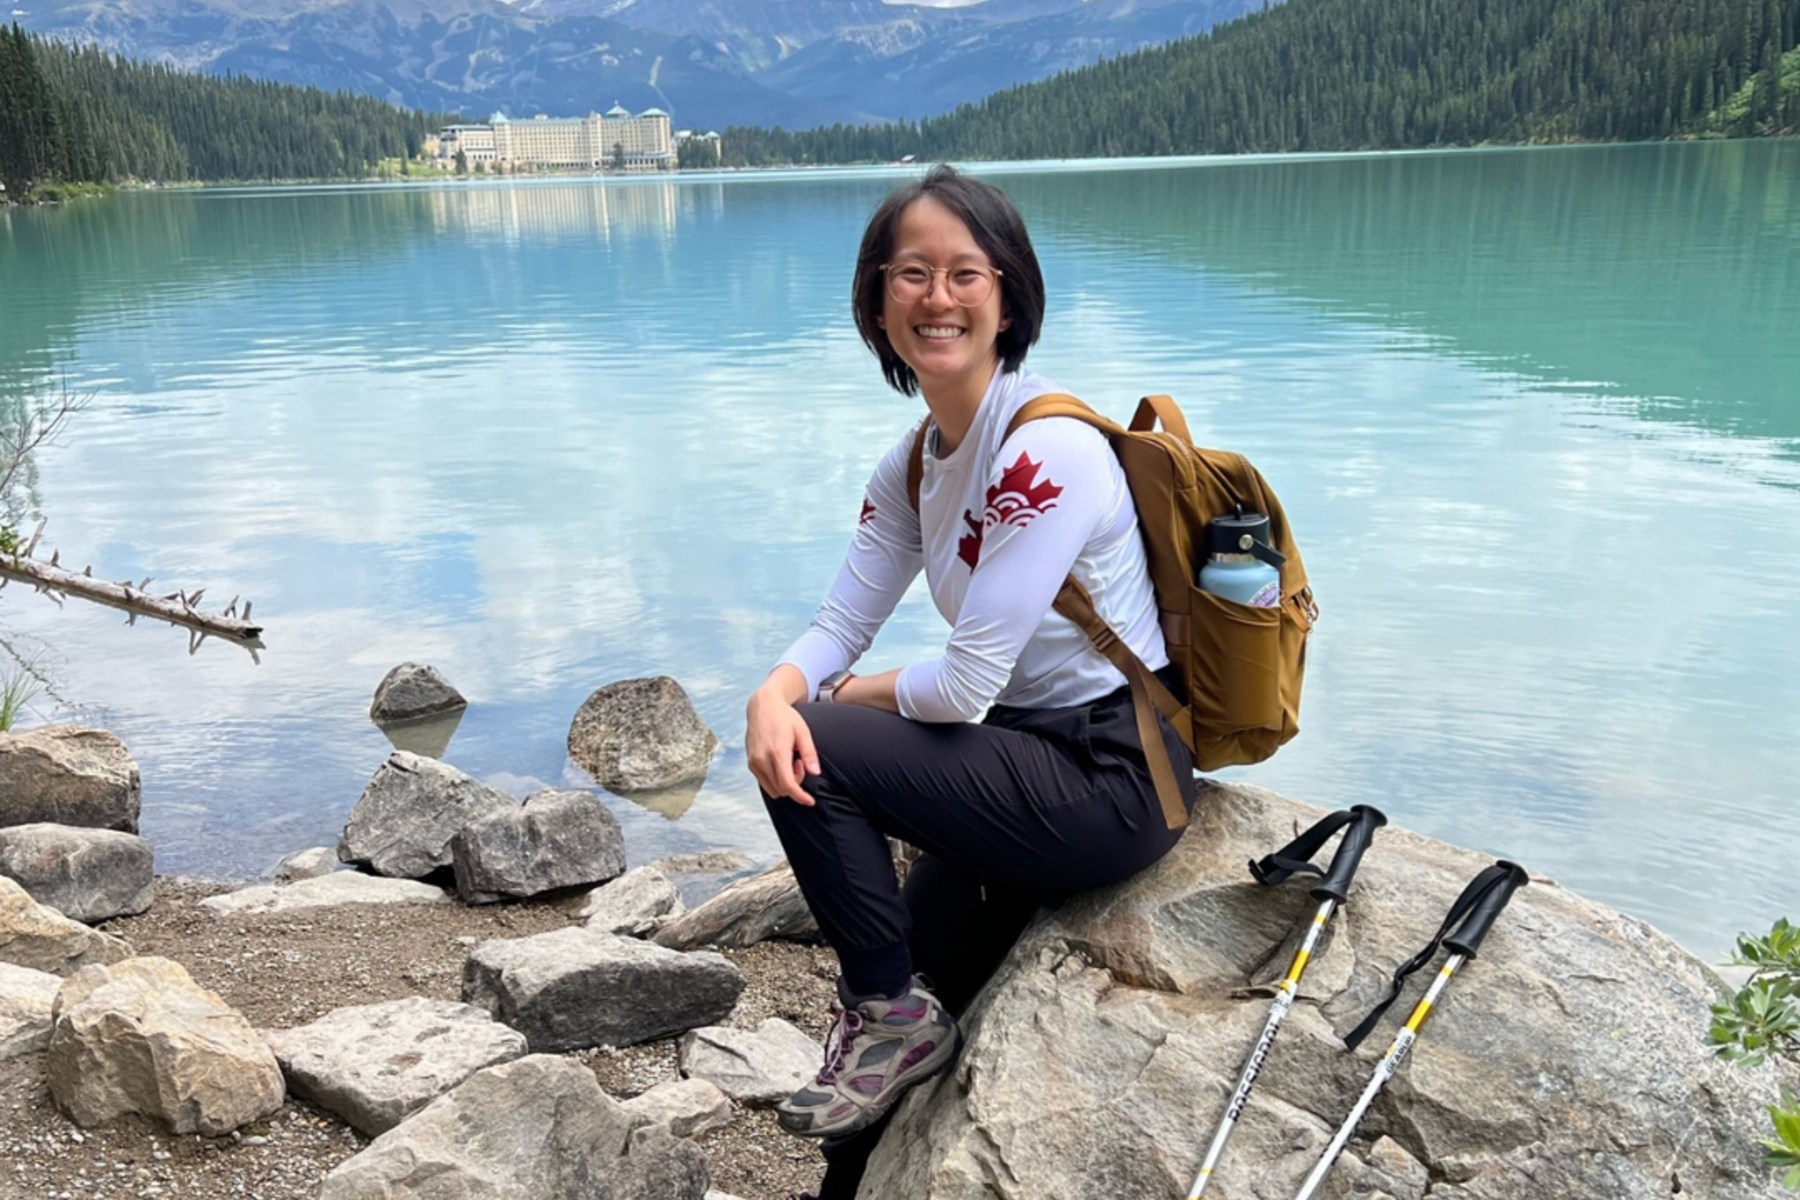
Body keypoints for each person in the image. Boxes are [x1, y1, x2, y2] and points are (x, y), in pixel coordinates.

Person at [744, 164, 1195, 1199]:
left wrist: (829, 703)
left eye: (963, 273)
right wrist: (775, 688)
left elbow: (964, 689)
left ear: (1008, 295)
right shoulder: (913, 465)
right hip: (1026, 762)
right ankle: (874, 1084)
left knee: (827, 751)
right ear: (876, 300)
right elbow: (841, 619)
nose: (936, 299)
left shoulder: (1049, 453)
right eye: (910, 274)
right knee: (899, 997)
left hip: (1112, 776)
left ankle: (886, 1012)